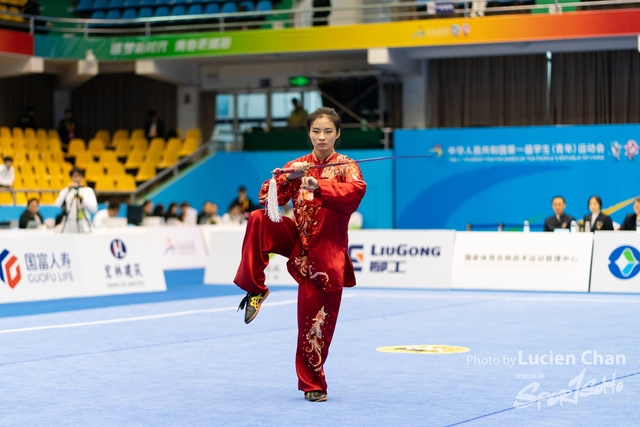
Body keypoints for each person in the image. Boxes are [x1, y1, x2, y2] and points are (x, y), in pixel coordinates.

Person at [234, 107, 366, 403]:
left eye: (328, 131)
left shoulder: (347, 167)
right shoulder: (298, 164)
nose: (322, 137)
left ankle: (313, 383)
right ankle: (255, 288)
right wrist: (286, 179)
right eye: (316, 131)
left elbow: (355, 194)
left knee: (315, 322)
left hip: (327, 252)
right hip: (299, 240)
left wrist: (320, 186)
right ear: (309, 133)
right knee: (257, 219)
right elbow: (268, 199)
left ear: (338, 134)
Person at [55, 167, 98, 233]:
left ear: (82, 177)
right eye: (74, 176)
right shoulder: (66, 191)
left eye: (79, 176)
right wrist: (67, 189)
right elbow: (57, 204)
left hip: (84, 223)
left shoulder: (88, 191)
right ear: (71, 177)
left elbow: (94, 209)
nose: (77, 178)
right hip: (69, 224)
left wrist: (83, 200)